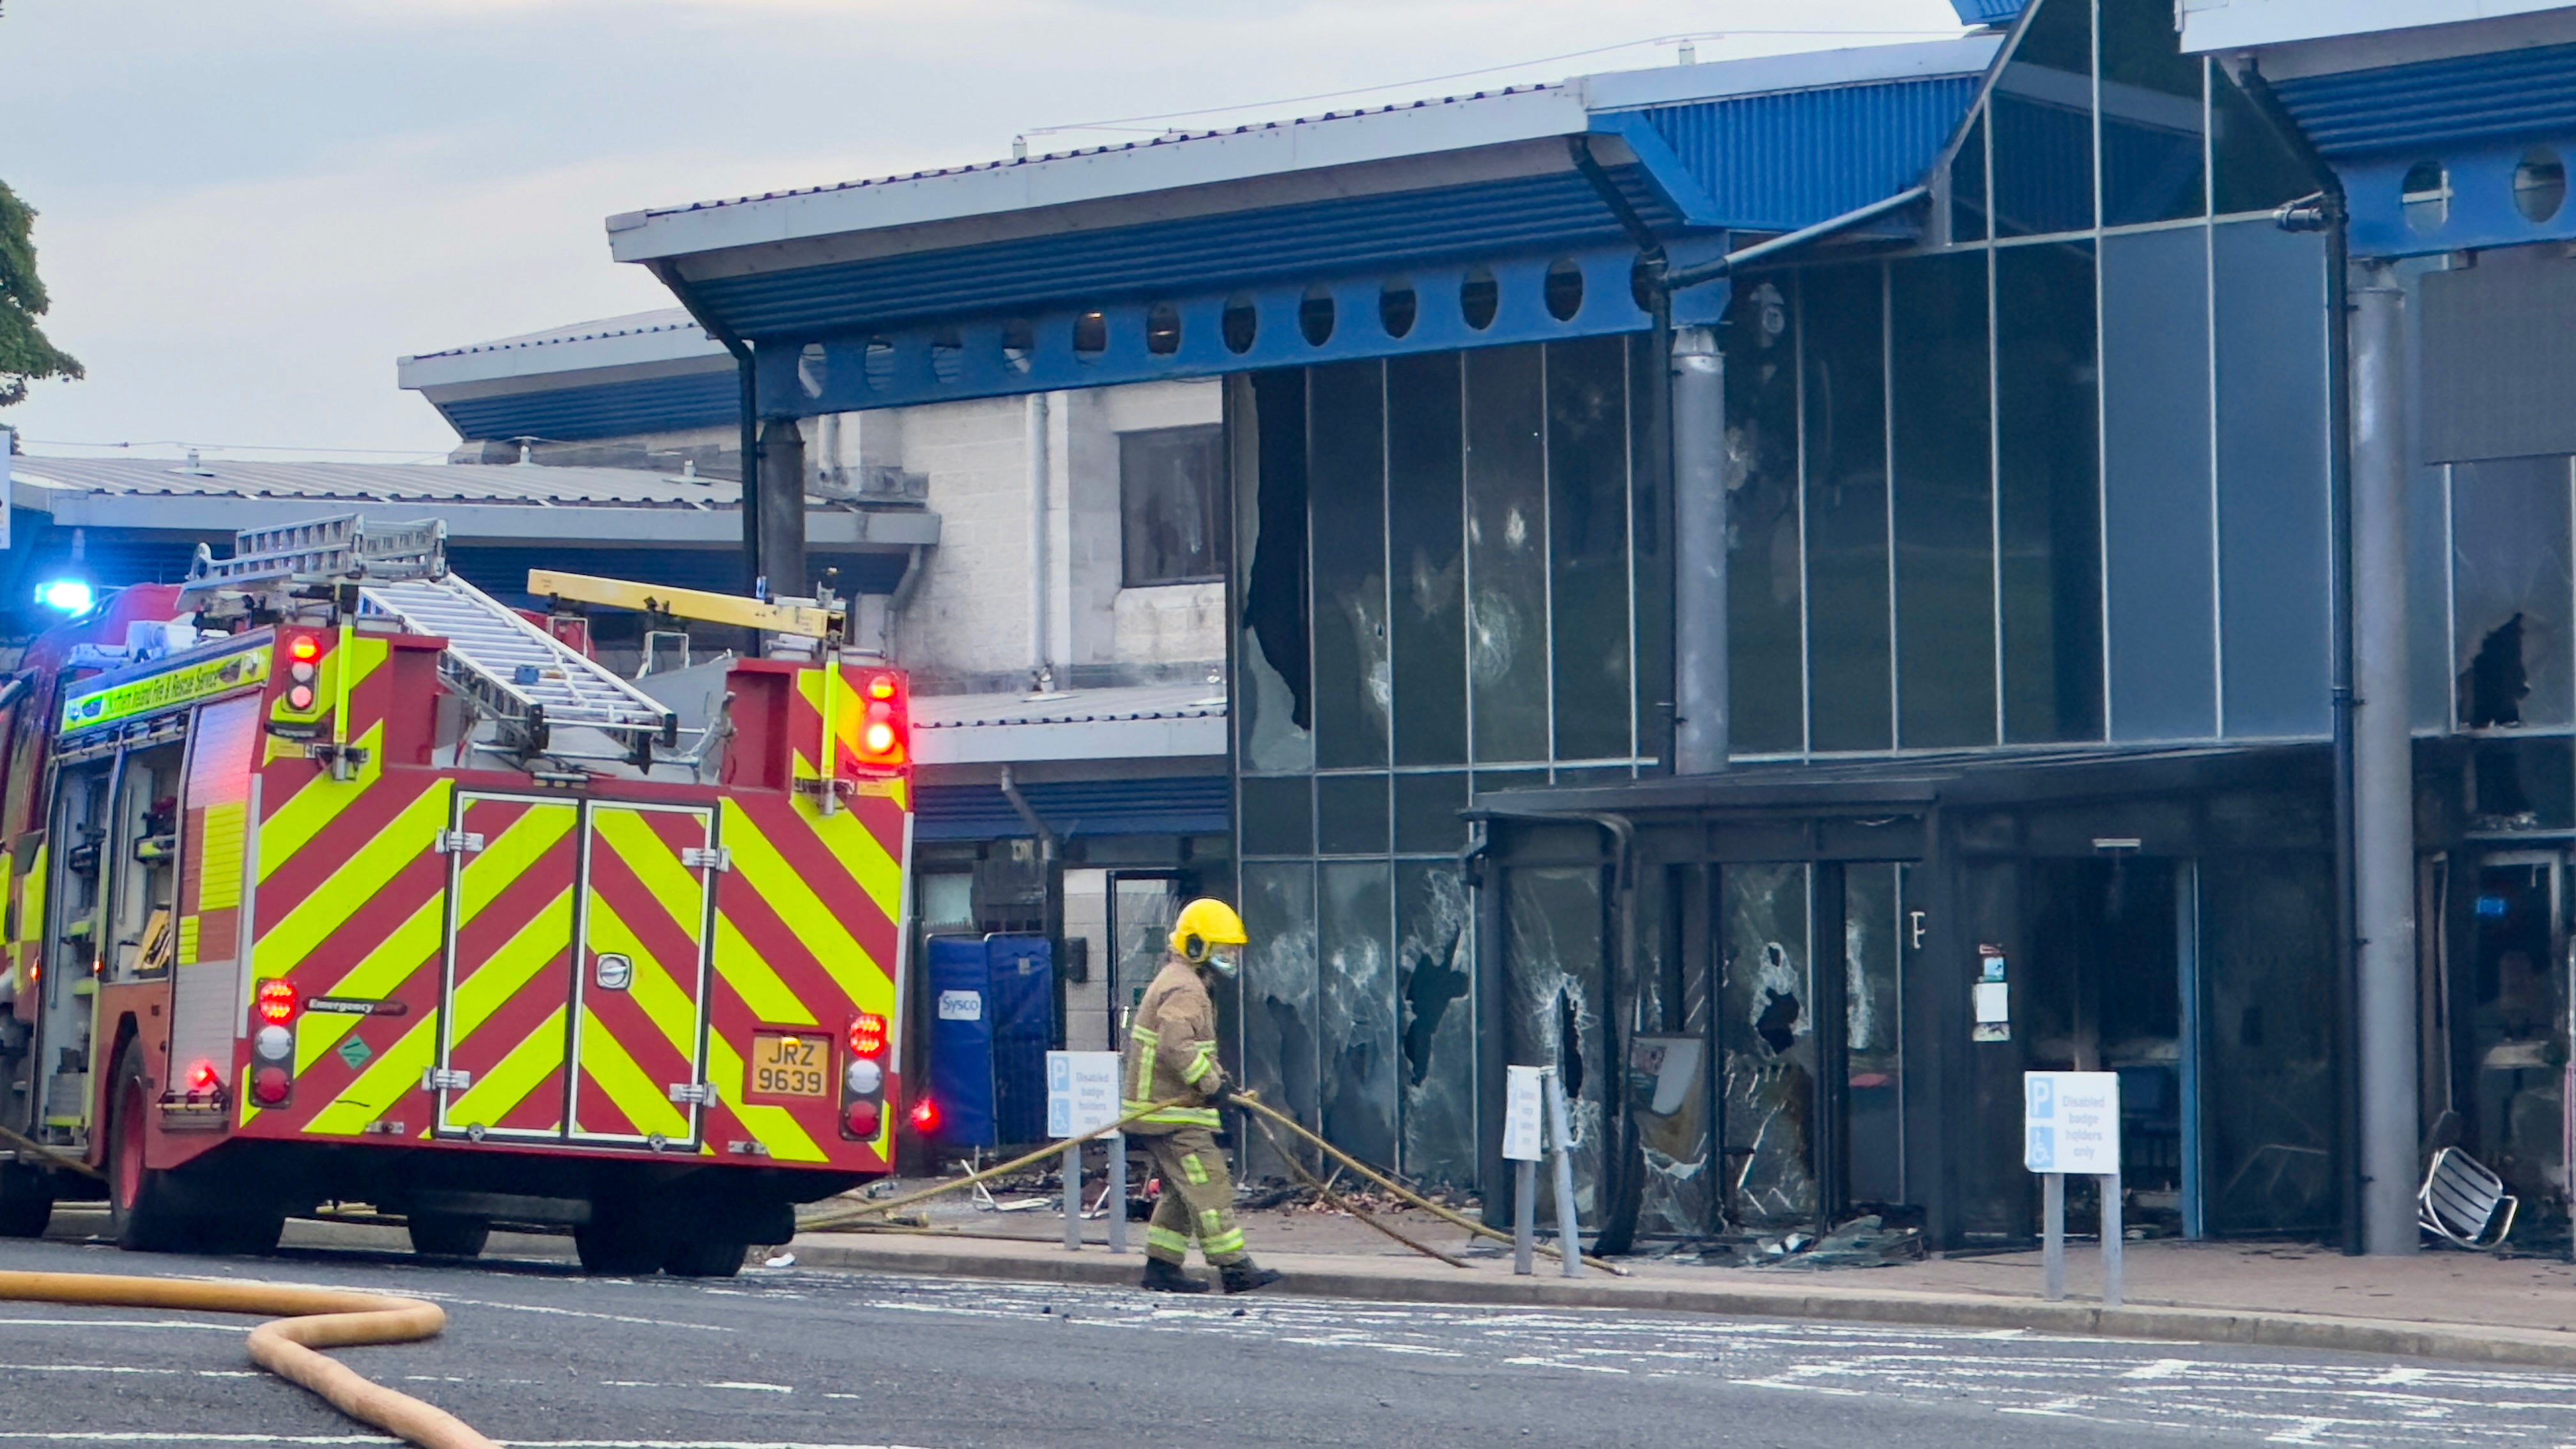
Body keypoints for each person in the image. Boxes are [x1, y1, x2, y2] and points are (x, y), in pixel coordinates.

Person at [1123, 898, 1281, 1295]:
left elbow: (1196, 1050)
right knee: (1209, 1183)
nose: (1230, 957)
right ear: (1197, 947)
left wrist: (1225, 1089)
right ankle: (1235, 1268)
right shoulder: (1186, 988)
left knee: (1181, 1191)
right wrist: (1214, 1088)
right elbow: (1177, 1047)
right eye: (1223, 949)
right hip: (1172, 1115)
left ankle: (1161, 1268)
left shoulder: (1180, 981)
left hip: (1169, 1111)